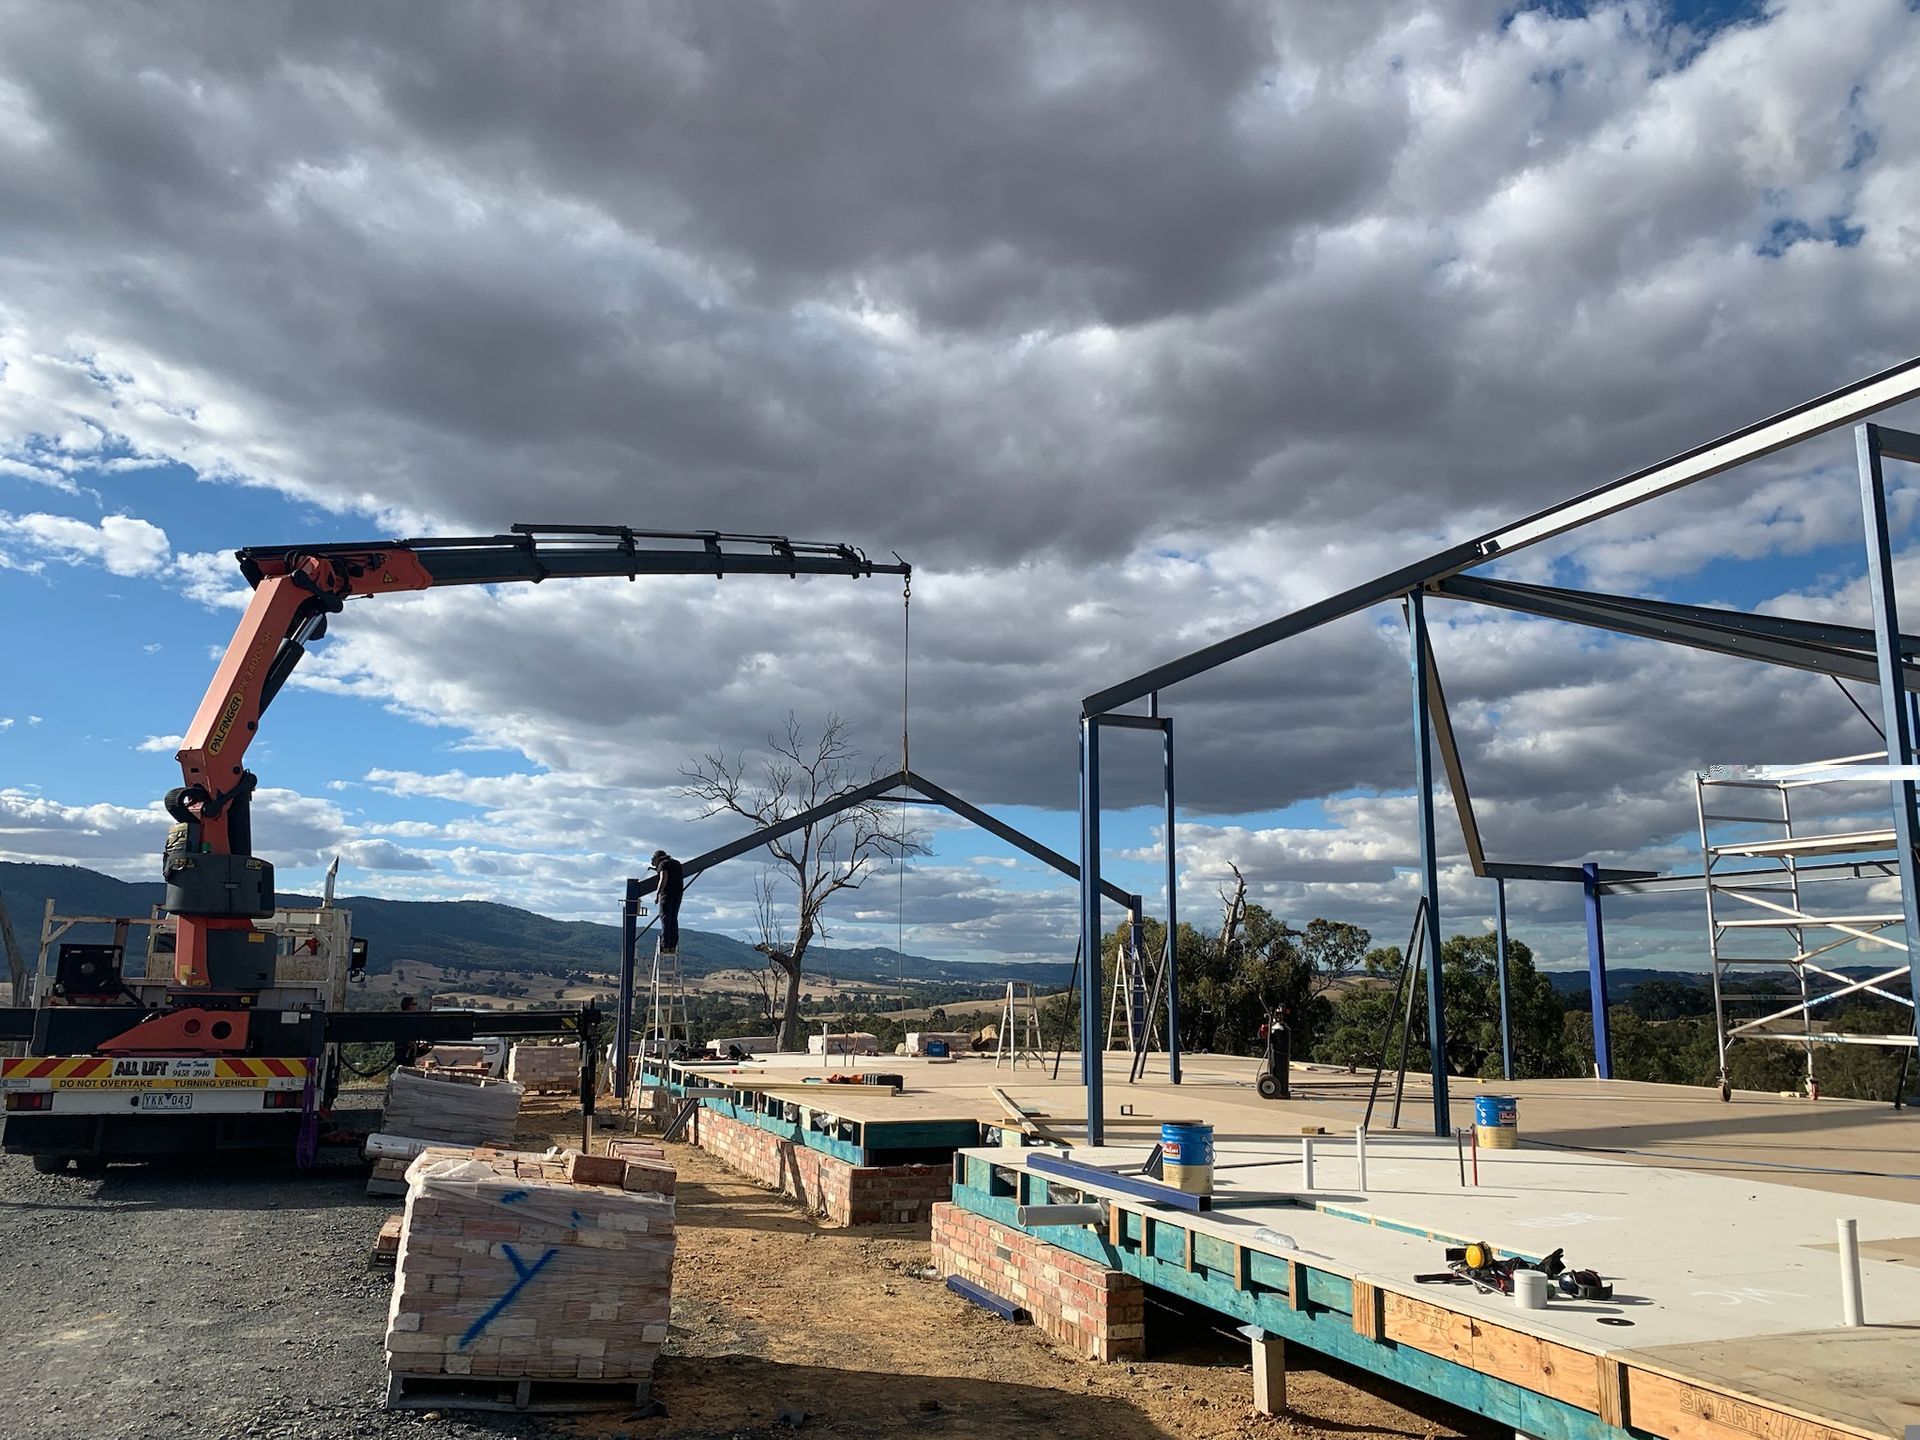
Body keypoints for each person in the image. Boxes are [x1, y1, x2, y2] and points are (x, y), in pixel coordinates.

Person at [650, 849, 684, 954]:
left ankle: (665, 946)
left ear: (657, 859)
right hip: (678, 895)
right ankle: (673, 946)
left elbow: (663, 878)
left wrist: (657, 893)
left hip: (667, 895)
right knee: (674, 919)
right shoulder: (677, 863)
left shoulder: (663, 865)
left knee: (665, 919)